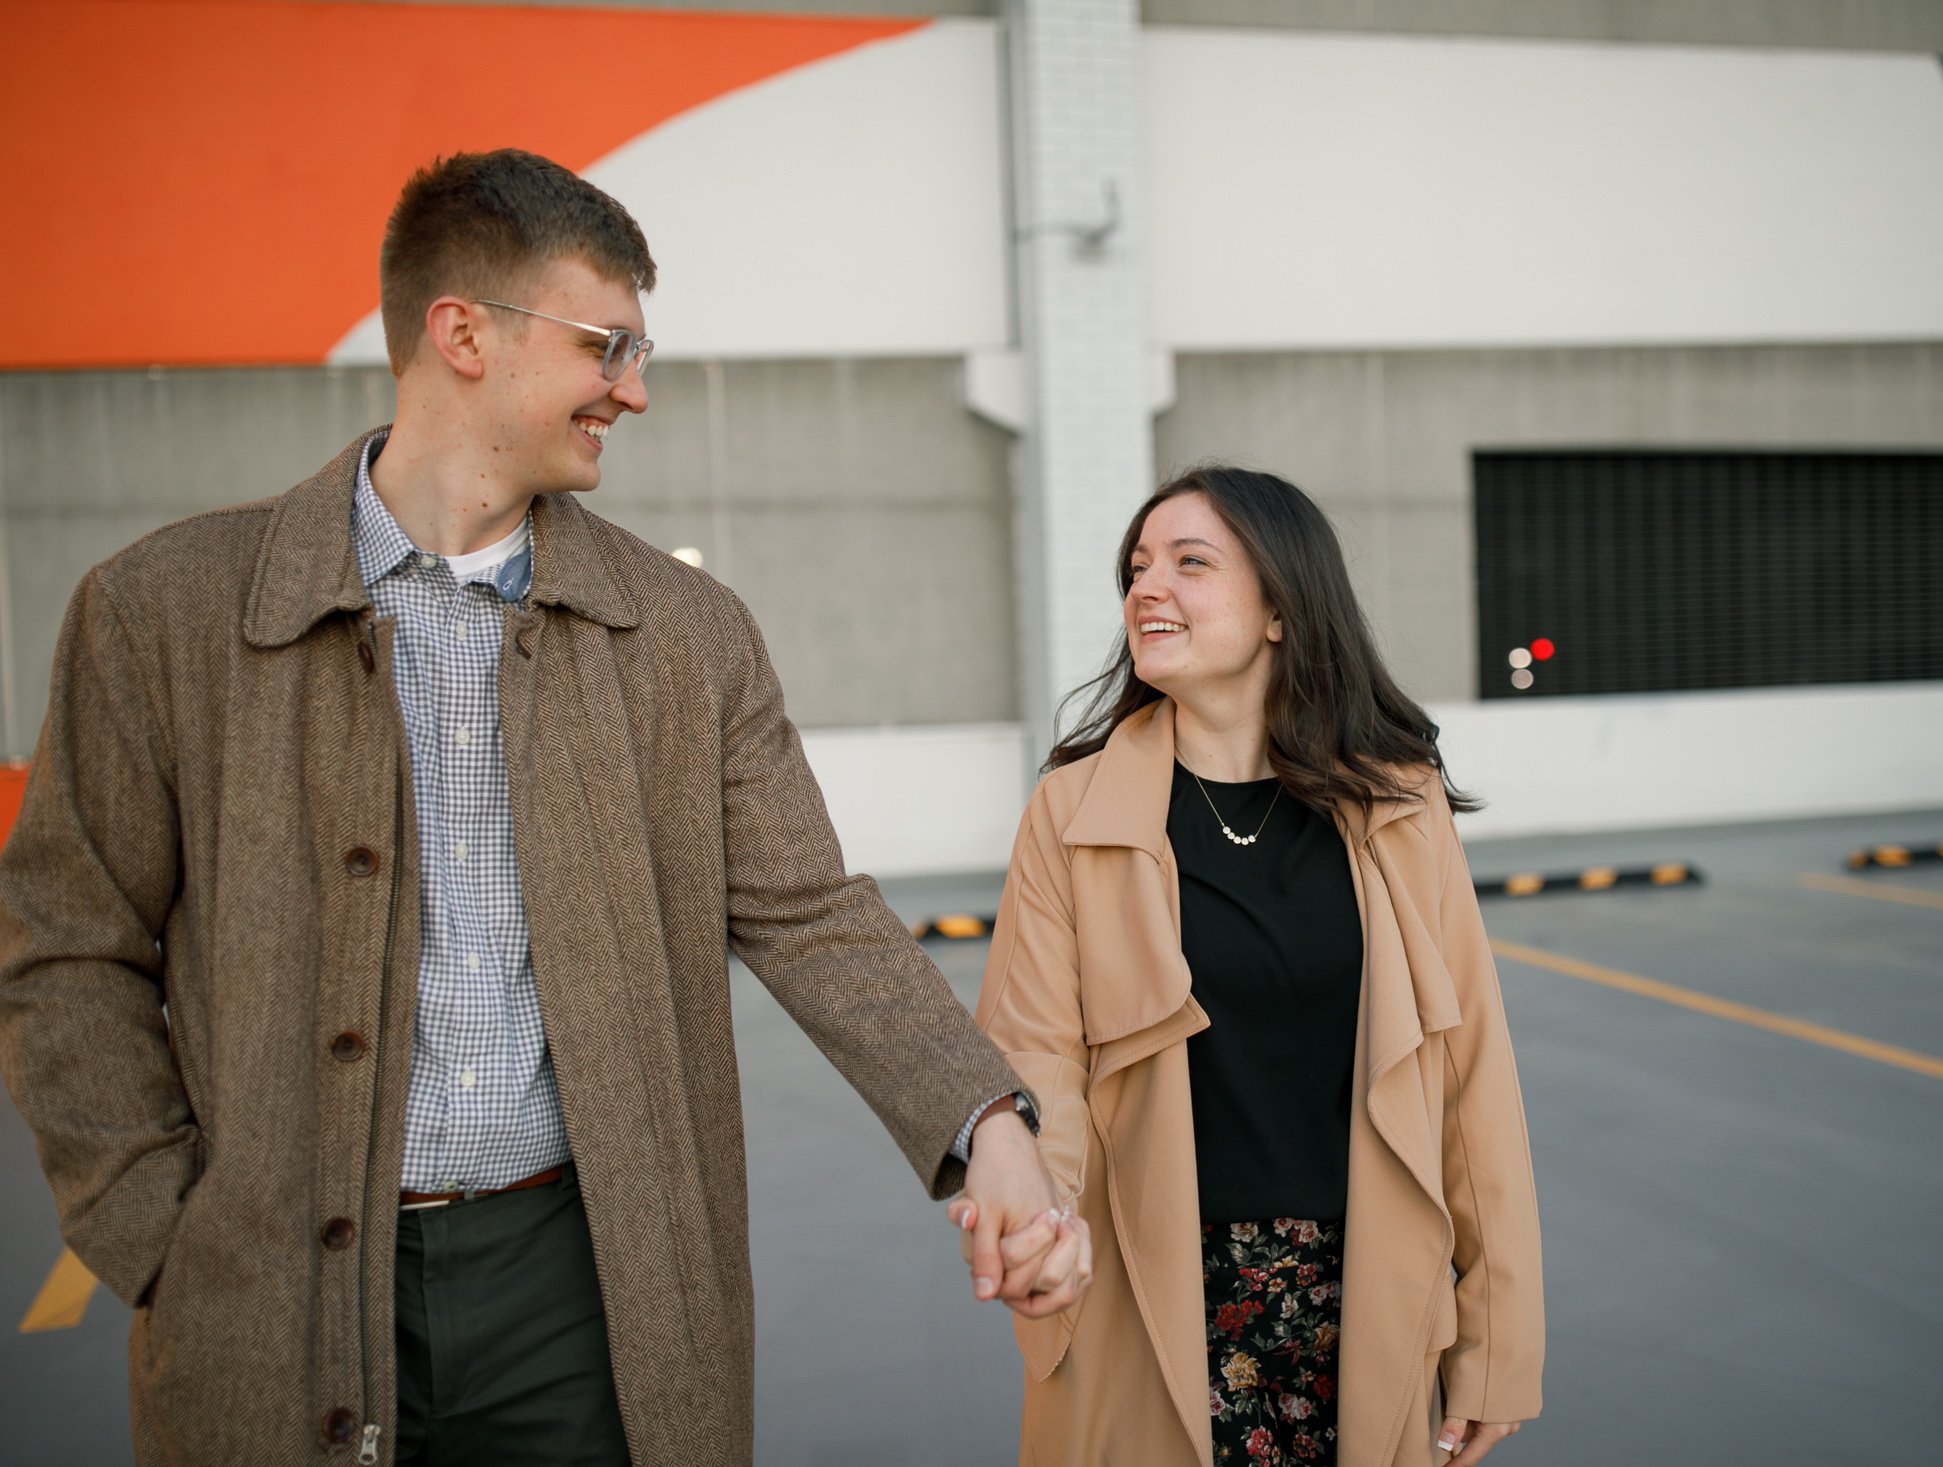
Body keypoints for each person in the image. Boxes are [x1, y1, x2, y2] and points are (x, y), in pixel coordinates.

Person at [0, 148, 1086, 1467]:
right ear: (461, 332)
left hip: (585, 1286)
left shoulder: (685, 635)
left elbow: (814, 914)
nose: (632, 389)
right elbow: (65, 948)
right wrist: (157, 1228)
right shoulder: (160, 612)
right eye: (605, 346)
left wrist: (989, 1126)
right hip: (271, 1288)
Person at [964, 466, 1543, 1466]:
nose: (1148, 587)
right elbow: (1033, 1056)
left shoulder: (1398, 811)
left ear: (1280, 608)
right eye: (1137, 566)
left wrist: (1498, 1340)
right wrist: (1041, 1214)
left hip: (1363, 1291)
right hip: (1148, 1294)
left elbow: (1469, 1084)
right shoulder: (1070, 812)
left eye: (1190, 563)